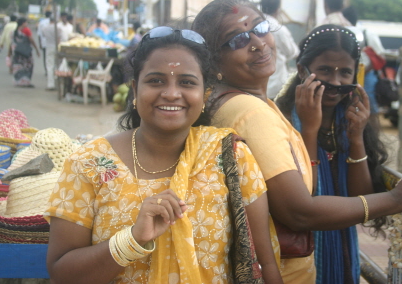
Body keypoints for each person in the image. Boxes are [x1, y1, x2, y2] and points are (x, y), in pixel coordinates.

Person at [191, 0, 402, 284]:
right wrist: (396, 198)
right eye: (237, 39)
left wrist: (352, 138)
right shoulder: (251, 113)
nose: (258, 43)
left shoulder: (232, 103)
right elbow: (299, 211)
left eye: (260, 28)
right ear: (213, 59)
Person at [45, 27, 282, 284]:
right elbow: (62, 272)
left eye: (187, 82)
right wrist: (133, 239)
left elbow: (264, 261)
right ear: (135, 90)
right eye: (156, 80)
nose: (171, 93)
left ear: (205, 94)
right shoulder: (89, 164)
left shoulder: (231, 157)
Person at [275, 24, 389, 283]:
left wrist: (356, 137)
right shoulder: (281, 121)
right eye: (325, 70)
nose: (336, 82)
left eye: (345, 72)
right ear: (302, 70)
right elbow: (305, 198)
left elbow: (362, 199)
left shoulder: (350, 119)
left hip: (343, 249)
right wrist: (310, 129)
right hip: (296, 255)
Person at [343, 6, 385, 115]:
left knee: (369, 101)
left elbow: (380, 56)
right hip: (346, 73)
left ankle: (371, 126)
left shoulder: (367, 35)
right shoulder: (341, 34)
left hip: (366, 75)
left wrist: (364, 71)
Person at [259, 0, 299, 99]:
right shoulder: (279, 29)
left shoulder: (252, 26)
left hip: (255, 84)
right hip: (275, 86)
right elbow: (292, 52)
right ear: (277, 9)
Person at [11, 17, 40, 88]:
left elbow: (11, 43)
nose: (27, 24)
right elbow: (31, 40)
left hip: (17, 53)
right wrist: (37, 49)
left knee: (18, 67)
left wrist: (9, 53)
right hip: (26, 53)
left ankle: (18, 81)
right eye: (26, 22)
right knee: (28, 66)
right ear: (23, 23)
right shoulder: (26, 30)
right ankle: (26, 82)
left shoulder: (15, 31)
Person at [42, 18, 61, 91]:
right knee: (57, 65)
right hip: (56, 47)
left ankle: (50, 84)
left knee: (50, 66)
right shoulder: (58, 28)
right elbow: (59, 39)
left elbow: (43, 36)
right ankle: (57, 83)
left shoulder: (45, 28)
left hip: (49, 47)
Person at [38, 11, 52, 75]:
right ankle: (51, 70)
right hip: (52, 43)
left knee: (45, 57)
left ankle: (46, 70)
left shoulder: (41, 22)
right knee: (51, 58)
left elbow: (39, 34)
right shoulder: (53, 23)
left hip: (44, 42)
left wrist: (40, 43)